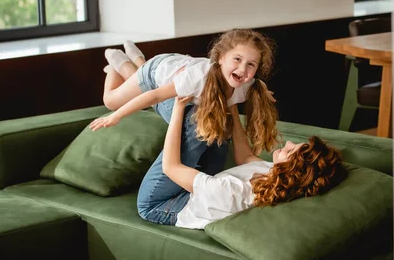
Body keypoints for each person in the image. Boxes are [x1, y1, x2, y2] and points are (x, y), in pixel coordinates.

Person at [143, 95, 348, 229]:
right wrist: (232, 105)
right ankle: (141, 77)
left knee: (193, 118)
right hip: (198, 190)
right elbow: (246, 158)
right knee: (218, 118)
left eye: (292, 150)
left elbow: (171, 167)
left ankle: (146, 83)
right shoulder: (276, 178)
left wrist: (178, 108)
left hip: (164, 204)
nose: (289, 142)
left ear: (294, 169)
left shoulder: (232, 191)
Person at [89, 29, 278, 154]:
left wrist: (265, 92)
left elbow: (256, 84)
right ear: (220, 58)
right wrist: (116, 116)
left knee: (138, 81)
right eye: (237, 59)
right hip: (157, 71)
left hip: (179, 65)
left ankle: (136, 58)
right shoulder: (198, 79)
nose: (243, 69)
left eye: (250, 65)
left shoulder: (246, 82)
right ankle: (116, 62)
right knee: (111, 101)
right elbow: (154, 95)